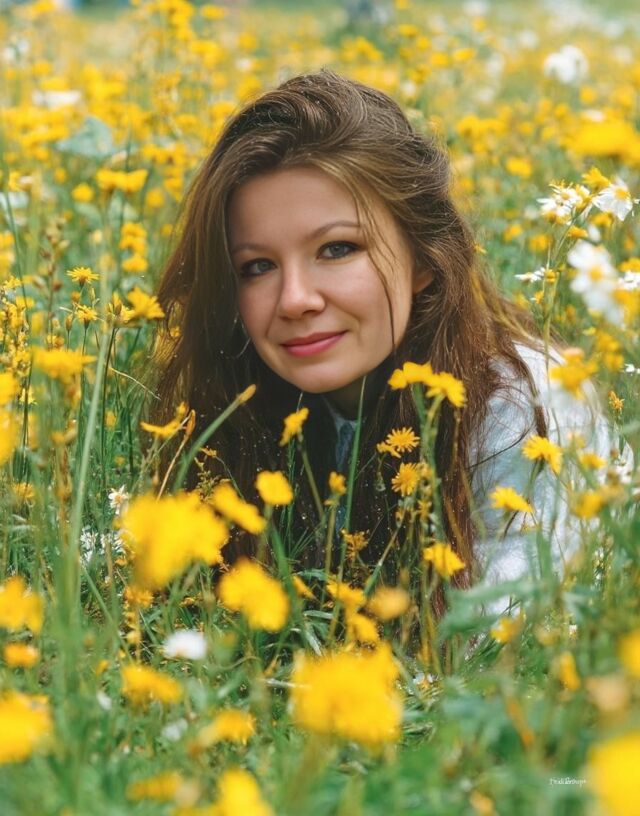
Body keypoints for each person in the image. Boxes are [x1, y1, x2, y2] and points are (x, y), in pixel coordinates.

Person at [150, 68, 624, 618]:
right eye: (256, 266)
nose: (294, 300)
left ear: (424, 258)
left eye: (337, 249)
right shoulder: (239, 406)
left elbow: (497, 645)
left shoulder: (524, 410)